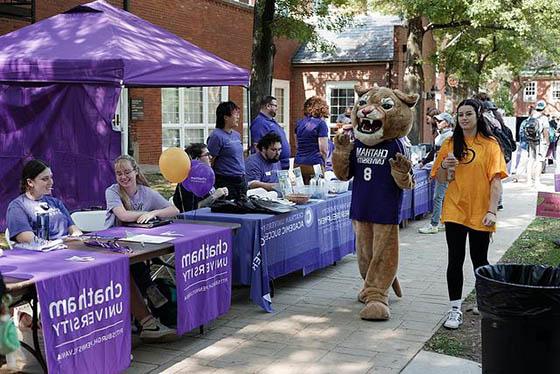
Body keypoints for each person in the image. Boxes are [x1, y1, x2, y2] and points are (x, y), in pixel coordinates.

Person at [431, 99, 507, 330]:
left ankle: (485, 301)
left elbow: (496, 182)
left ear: (478, 115)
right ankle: (455, 309)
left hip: (481, 211)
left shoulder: (490, 144)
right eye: (460, 114)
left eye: (468, 114)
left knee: (479, 260)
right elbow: (441, 179)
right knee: (455, 259)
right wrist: (445, 165)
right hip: (455, 209)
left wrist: (492, 211)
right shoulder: (450, 143)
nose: (464, 118)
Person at [105, 155, 179, 342]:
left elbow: (174, 210)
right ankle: (153, 313)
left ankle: (153, 313)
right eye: (119, 173)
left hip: (141, 243)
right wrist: (147, 213)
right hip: (114, 246)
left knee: (139, 266)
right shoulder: (112, 191)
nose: (123, 177)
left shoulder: (146, 192)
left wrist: (155, 212)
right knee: (135, 267)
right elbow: (123, 215)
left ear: (136, 171)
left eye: (127, 172)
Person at [7, 159, 82, 244]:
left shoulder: (55, 202)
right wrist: (60, 242)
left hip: (67, 248)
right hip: (42, 253)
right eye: (45, 179)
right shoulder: (17, 206)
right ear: (30, 182)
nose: (51, 182)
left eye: (51, 177)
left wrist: (79, 239)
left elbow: (74, 229)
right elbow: (27, 239)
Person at [418, 112, 455, 234]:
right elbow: (434, 153)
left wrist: (435, 170)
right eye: (437, 121)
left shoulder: (448, 137)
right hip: (442, 169)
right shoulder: (443, 136)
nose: (437, 123)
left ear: (448, 123)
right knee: (442, 197)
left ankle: (434, 224)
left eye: (440, 121)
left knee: (438, 197)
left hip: (443, 170)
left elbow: (441, 155)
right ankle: (443, 221)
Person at [207, 101, 247, 200]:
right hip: (226, 181)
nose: (238, 117)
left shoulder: (236, 135)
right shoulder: (216, 136)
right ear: (226, 117)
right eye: (235, 114)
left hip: (241, 180)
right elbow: (210, 160)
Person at [172, 143, 228, 213]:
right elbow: (193, 209)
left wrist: (222, 193)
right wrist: (214, 196)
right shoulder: (188, 182)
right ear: (196, 159)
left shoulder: (207, 175)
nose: (211, 157)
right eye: (207, 155)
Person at [294, 96, 330, 184]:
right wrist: (323, 164)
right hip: (314, 164)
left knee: (301, 193)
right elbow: (323, 150)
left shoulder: (299, 123)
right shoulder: (321, 124)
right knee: (317, 194)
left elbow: (297, 144)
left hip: (298, 163)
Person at [250, 96, 291, 169]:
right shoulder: (260, 123)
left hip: (281, 164)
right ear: (268, 106)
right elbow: (257, 147)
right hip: (274, 165)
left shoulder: (271, 121)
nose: (277, 108)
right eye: (275, 106)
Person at [526, 100, 550, 187]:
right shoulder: (544, 118)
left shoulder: (531, 116)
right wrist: (547, 142)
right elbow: (546, 131)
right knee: (539, 160)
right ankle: (537, 181)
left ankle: (529, 180)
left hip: (531, 140)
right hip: (540, 141)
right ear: (543, 108)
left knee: (531, 159)